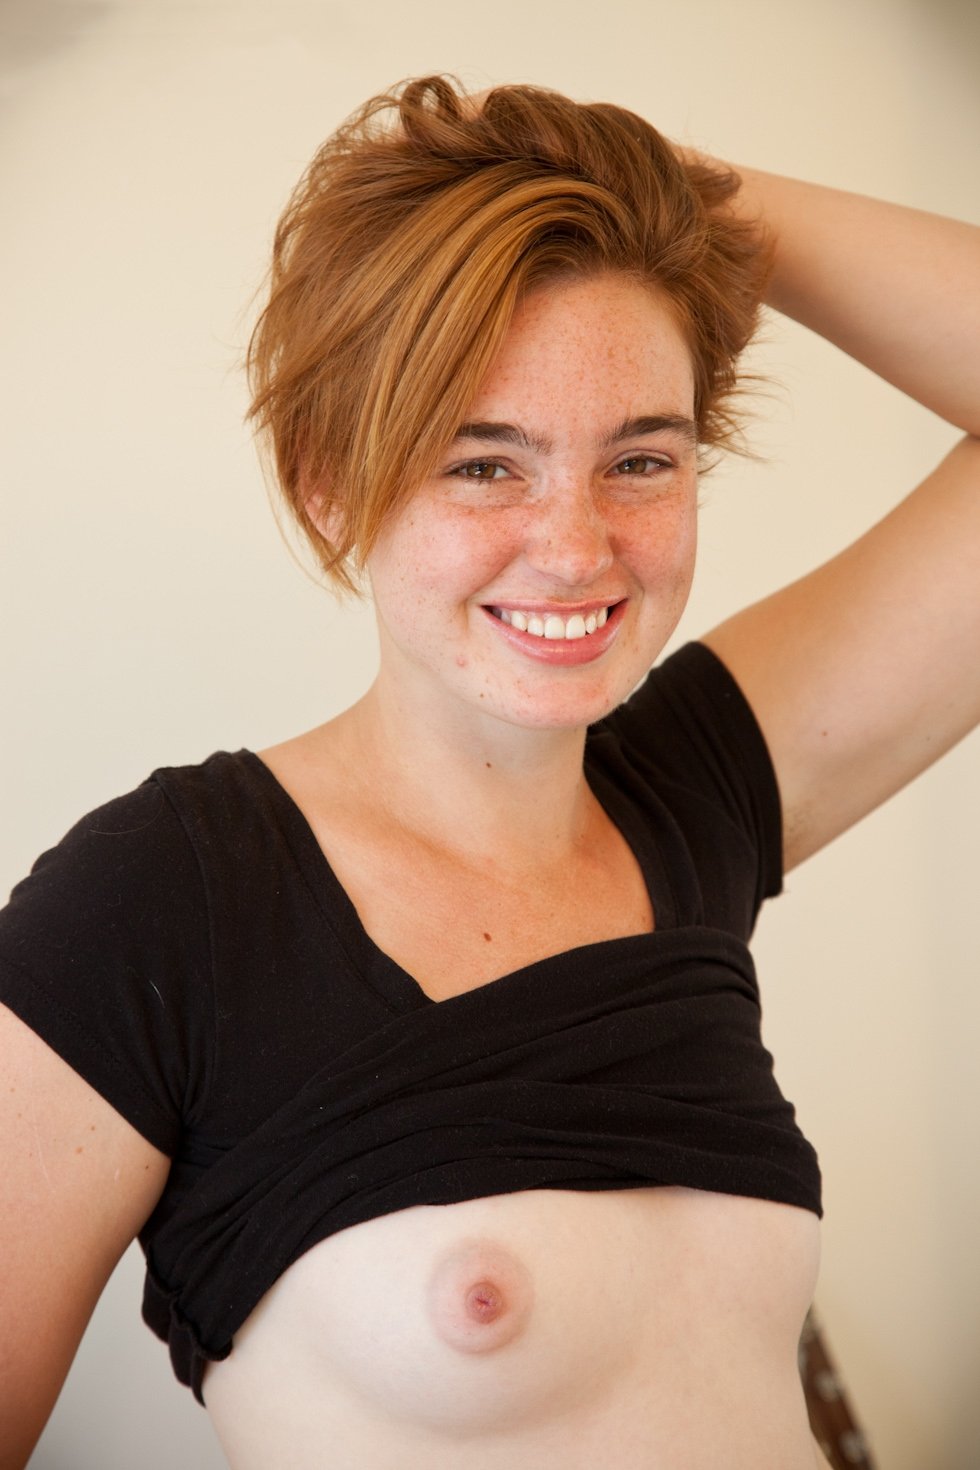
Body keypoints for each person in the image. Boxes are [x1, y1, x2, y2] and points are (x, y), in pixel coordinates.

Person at [1, 74, 977, 1470]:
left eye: (641, 459)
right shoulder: (161, 904)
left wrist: (686, 207)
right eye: (484, 465)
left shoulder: (691, 792)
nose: (576, 548)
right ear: (331, 482)